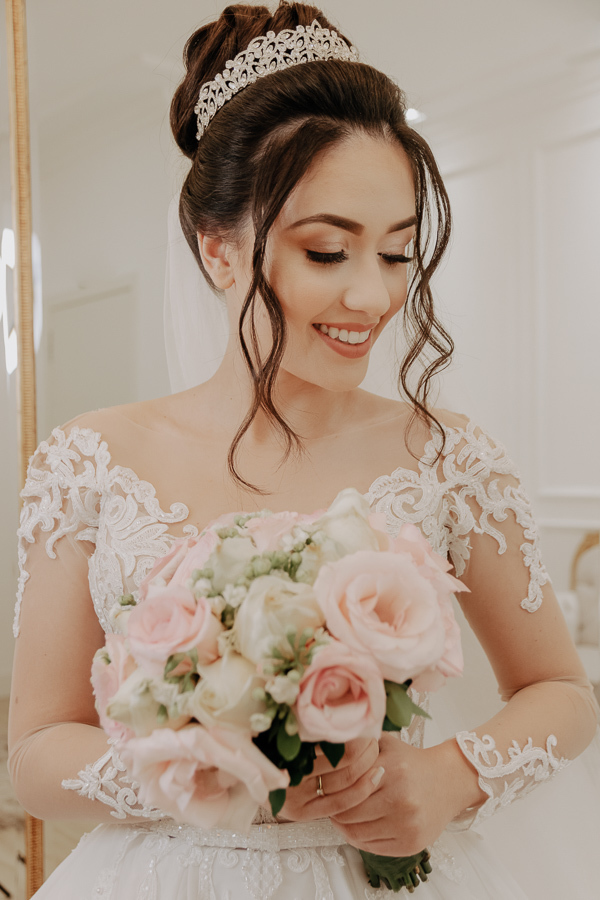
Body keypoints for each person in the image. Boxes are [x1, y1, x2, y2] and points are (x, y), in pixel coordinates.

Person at [8, 3, 600, 898]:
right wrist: (212, 771)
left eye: (398, 254)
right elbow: (34, 754)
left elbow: (561, 687)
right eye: (328, 251)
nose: (372, 296)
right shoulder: (91, 462)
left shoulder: (448, 458)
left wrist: (450, 777)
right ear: (219, 251)